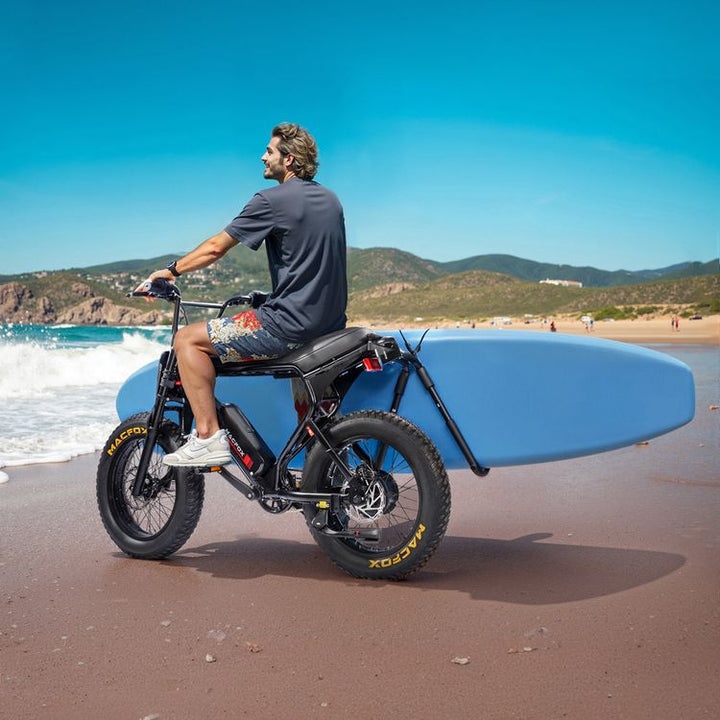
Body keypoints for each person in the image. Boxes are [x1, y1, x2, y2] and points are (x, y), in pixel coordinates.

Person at [139, 123, 347, 467]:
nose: (263, 157)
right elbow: (312, 265)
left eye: (269, 151)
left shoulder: (270, 200)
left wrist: (171, 271)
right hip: (329, 327)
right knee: (312, 414)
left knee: (187, 340)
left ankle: (208, 437)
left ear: (289, 159)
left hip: (288, 326)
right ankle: (325, 473)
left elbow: (215, 248)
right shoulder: (331, 200)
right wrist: (271, 297)